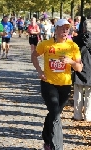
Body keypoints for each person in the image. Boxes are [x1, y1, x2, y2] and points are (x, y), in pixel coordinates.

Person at [31, 19, 83, 150]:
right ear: (56, 29)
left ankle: (46, 138)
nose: (65, 31)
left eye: (67, 29)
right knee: (55, 113)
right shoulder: (46, 44)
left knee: (55, 113)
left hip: (65, 84)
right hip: (48, 83)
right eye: (62, 28)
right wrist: (39, 71)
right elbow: (34, 56)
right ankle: (56, 146)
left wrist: (70, 61)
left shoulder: (73, 46)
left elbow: (79, 68)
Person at [72, 19, 91, 122]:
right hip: (90, 68)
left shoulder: (77, 39)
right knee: (89, 93)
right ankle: (88, 116)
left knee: (78, 92)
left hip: (79, 65)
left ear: (83, 28)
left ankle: (77, 115)